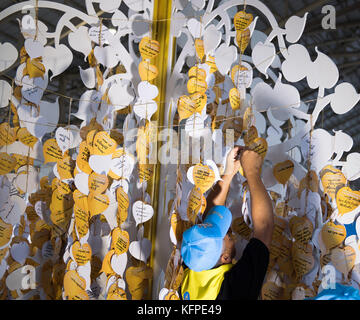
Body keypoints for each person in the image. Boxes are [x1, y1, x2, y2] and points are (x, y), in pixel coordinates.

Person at [180, 146, 274, 300]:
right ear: (225, 257)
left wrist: (228, 173)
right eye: (227, 233)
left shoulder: (192, 267)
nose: (230, 230)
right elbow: (264, 229)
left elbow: (210, 214)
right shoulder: (233, 290)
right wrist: (252, 172)